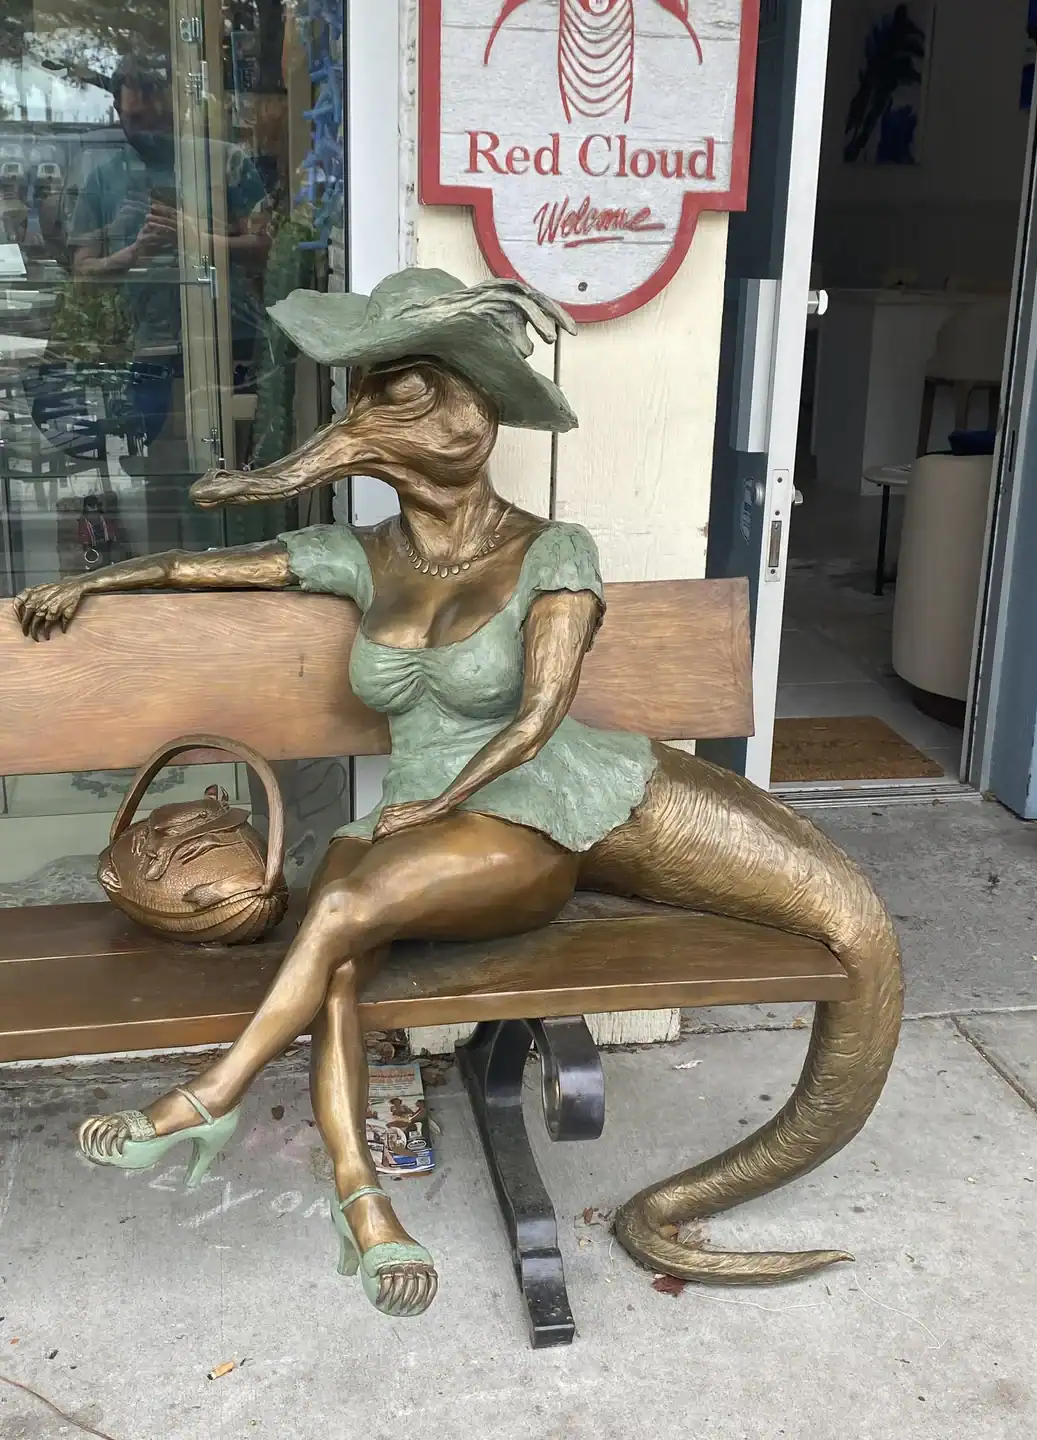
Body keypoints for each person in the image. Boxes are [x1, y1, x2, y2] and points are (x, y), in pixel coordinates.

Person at [13, 269, 902, 1321]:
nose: (390, 416)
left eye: (420, 391)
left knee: (339, 910)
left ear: (478, 420)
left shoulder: (552, 552)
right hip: (410, 823)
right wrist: (94, 581)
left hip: (535, 805)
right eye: (377, 396)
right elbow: (218, 569)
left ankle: (208, 1096)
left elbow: (535, 719)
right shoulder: (367, 555)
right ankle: (365, 1209)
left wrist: (432, 808)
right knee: (334, 960)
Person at [67, 55, 270, 452]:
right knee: (161, 463)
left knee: (243, 462)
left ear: (177, 108)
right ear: (118, 112)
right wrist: (134, 253)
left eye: (157, 119)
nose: (149, 131)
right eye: (136, 120)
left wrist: (197, 239)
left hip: (228, 341)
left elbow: (265, 249)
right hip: (147, 346)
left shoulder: (224, 161)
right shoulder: (103, 178)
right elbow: (82, 272)